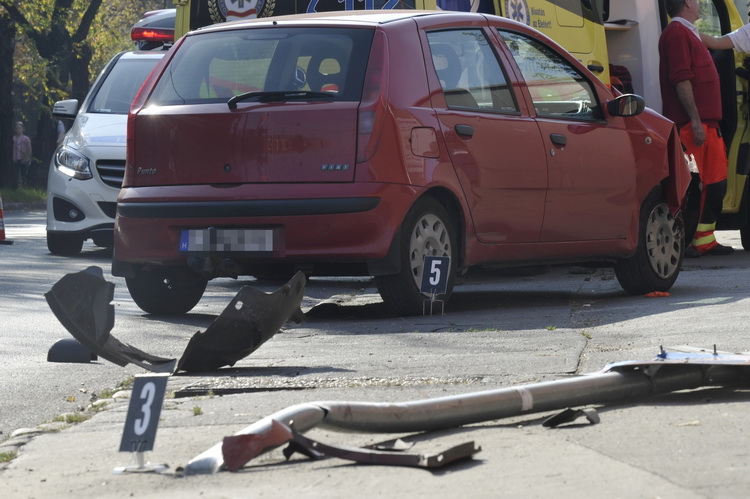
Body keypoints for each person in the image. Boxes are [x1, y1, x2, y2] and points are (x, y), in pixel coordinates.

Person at [659, 0, 733, 257]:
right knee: (696, 188)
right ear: (688, 2)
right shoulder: (678, 34)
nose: (700, 3)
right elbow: (681, 80)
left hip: (706, 126)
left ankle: (704, 241)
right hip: (693, 126)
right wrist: (695, 120)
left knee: (715, 186)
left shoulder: (687, 33)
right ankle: (689, 241)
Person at [12, 121, 32, 189]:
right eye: (16, 128)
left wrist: (27, 157)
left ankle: (24, 186)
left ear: (23, 129)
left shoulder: (26, 139)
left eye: (19, 128)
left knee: (24, 173)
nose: (18, 130)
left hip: (24, 158)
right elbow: (14, 148)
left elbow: (29, 149)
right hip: (17, 158)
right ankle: (16, 186)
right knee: (16, 173)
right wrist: (14, 157)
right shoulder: (14, 138)